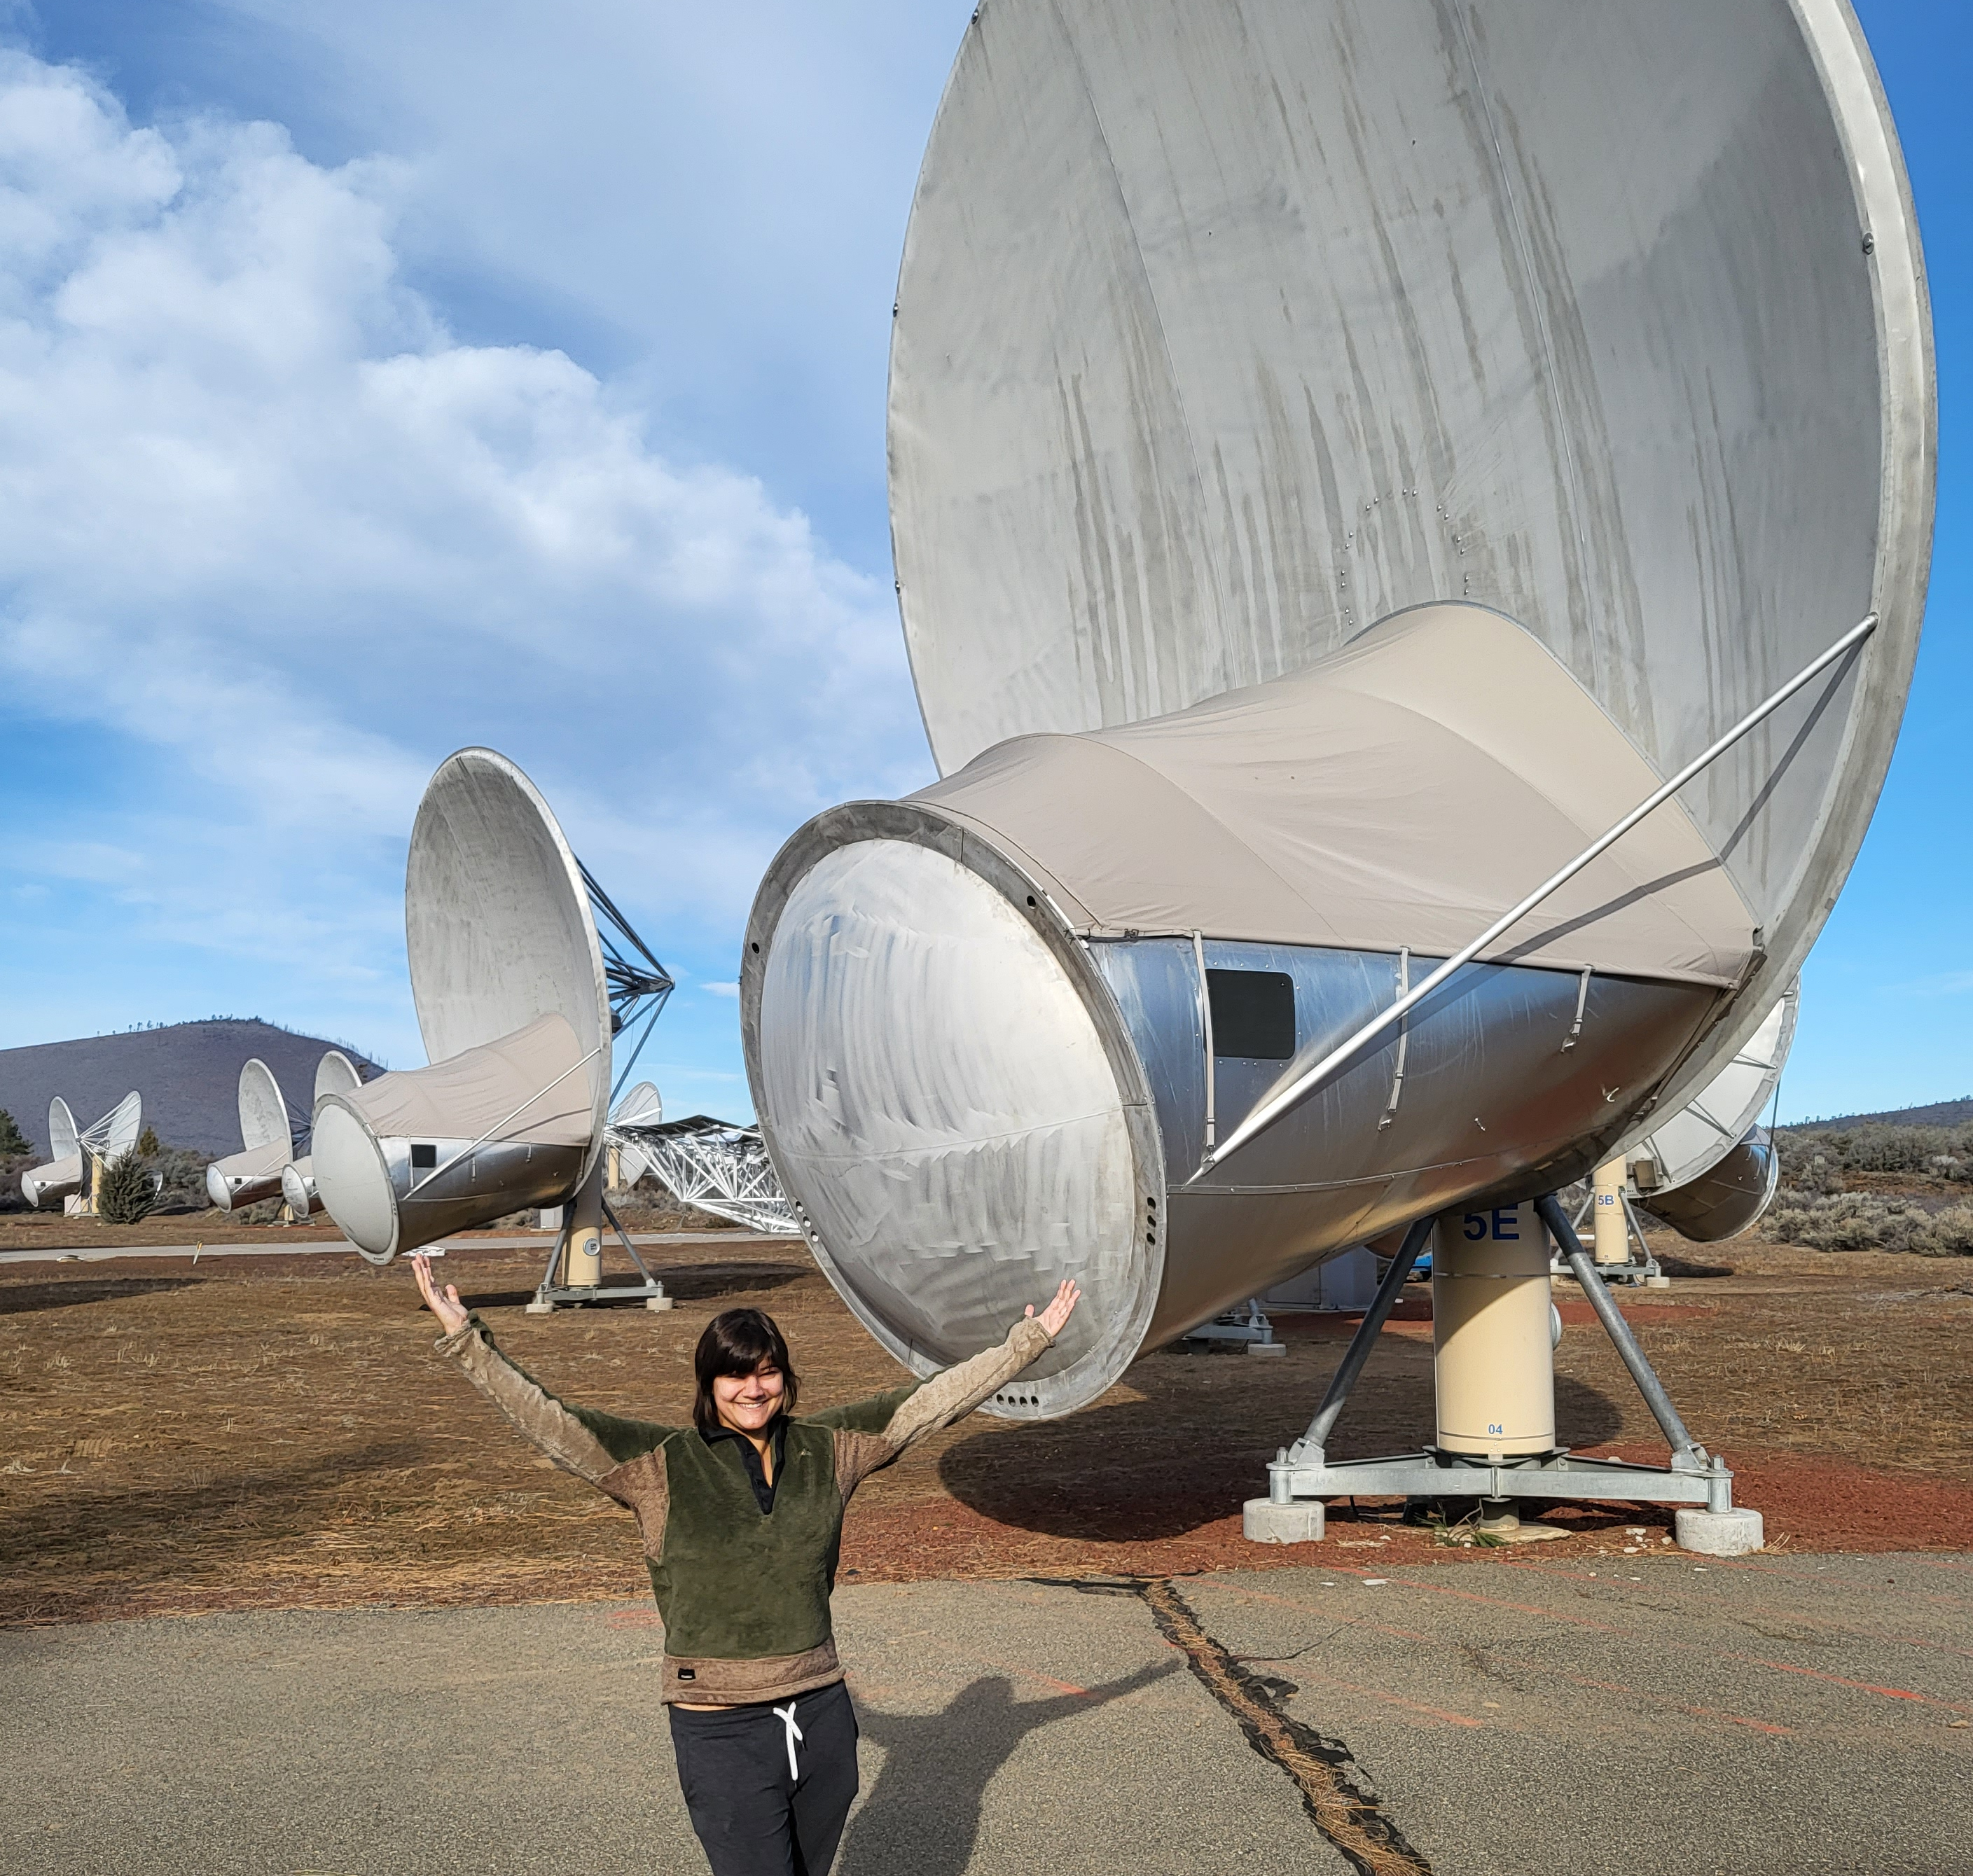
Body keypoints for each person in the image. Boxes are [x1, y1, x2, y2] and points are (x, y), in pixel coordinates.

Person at [411, 1251, 1080, 1876]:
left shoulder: (831, 1449)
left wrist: (1025, 1344)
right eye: (735, 1372)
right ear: (709, 1382)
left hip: (818, 1710)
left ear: (786, 1378)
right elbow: (550, 1419)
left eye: (767, 1371)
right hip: (719, 1721)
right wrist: (468, 1339)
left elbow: (931, 1403)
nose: (753, 1388)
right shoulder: (658, 1465)